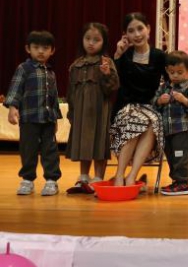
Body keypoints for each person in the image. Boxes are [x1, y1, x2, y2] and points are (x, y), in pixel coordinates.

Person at [111, 12, 166, 187]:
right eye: (131, 31)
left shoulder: (159, 56)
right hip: (126, 108)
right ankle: (119, 175)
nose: (137, 34)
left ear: (148, 29)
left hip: (150, 108)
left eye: (140, 28)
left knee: (152, 123)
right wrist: (117, 55)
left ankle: (131, 176)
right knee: (137, 119)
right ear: (125, 35)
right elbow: (113, 83)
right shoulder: (124, 55)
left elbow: (170, 82)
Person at [4, 30, 63, 196]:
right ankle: (27, 180)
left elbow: (54, 97)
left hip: (48, 119)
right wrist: (13, 107)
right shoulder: (24, 68)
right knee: (28, 149)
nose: (41, 51)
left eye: (45, 48)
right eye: (36, 47)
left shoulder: (51, 72)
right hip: (29, 119)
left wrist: (55, 118)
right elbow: (15, 88)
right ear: (28, 49)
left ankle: (51, 180)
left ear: (52, 50)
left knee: (50, 150)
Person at [65, 22, 119, 194]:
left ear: (104, 42)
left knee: (99, 143)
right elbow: (70, 92)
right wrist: (71, 112)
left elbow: (113, 88)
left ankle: (98, 178)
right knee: (84, 143)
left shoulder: (106, 62)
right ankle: (83, 177)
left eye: (96, 39)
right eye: (87, 38)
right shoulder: (76, 65)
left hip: (100, 112)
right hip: (80, 113)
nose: (91, 43)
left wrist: (106, 74)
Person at [153, 51, 188, 196]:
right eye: (172, 72)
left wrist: (184, 100)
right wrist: (159, 101)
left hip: (182, 130)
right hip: (167, 130)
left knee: (181, 156)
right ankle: (176, 182)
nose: (176, 76)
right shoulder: (163, 87)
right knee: (171, 156)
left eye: (180, 72)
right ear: (167, 70)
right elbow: (153, 104)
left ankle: (182, 183)